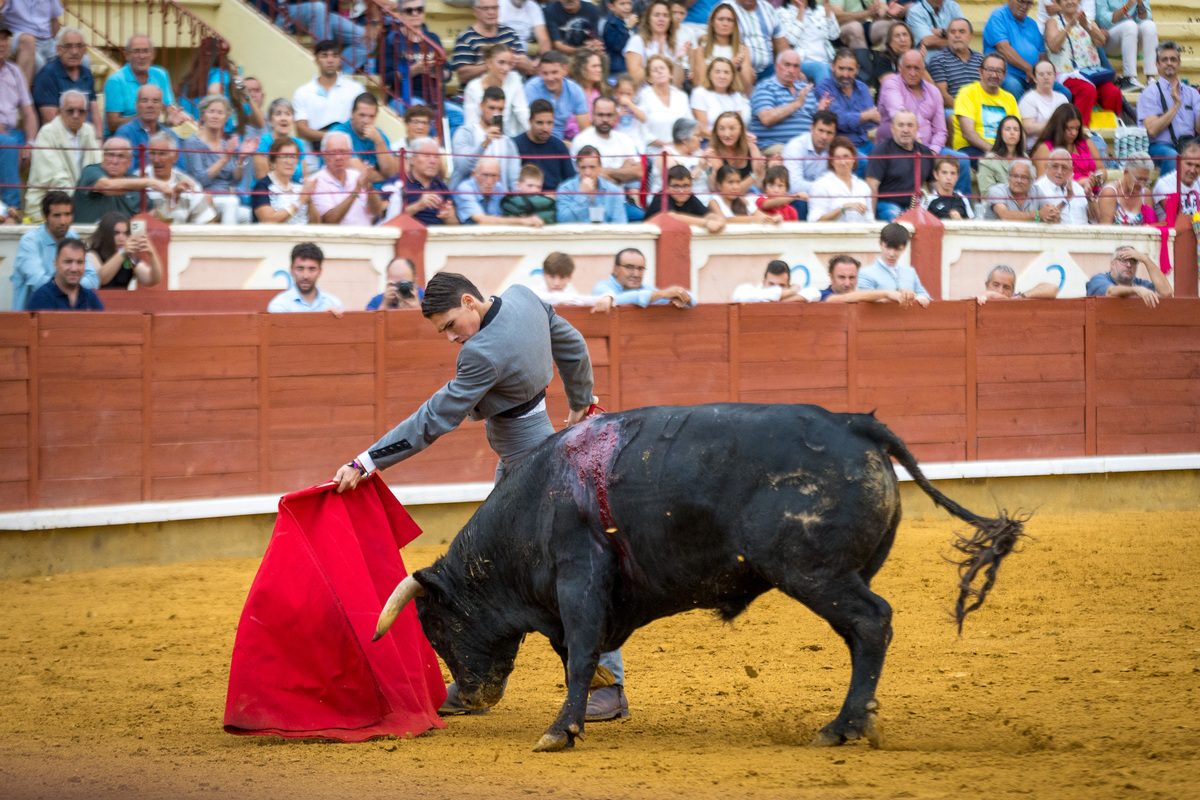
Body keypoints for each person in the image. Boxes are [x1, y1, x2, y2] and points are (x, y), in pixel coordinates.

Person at [329, 272, 613, 719]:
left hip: (527, 463)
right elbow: (573, 343)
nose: (449, 338)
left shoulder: (481, 352)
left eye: (448, 325)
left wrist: (367, 462)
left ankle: (604, 685)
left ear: (468, 301)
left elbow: (432, 420)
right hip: (532, 453)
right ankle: (481, 679)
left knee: (559, 570)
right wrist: (581, 401)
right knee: (516, 570)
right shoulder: (523, 296)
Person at [878, 50, 971, 194]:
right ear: (899, 67)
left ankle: (961, 209)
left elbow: (941, 130)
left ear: (924, 69)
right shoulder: (891, 84)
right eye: (908, 67)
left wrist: (932, 152)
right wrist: (919, 144)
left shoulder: (933, 91)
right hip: (898, 147)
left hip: (929, 150)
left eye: (917, 68)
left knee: (963, 160)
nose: (913, 72)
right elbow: (898, 114)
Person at [25, 89, 101, 222]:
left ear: (86, 113)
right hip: (48, 204)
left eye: (81, 111)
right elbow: (55, 178)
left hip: (82, 202)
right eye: (70, 111)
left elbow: (98, 166)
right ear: (59, 112)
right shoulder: (47, 133)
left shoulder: (88, 130)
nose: (76, 115)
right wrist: (82, 198)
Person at [1044, 0, 1123, 128]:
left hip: (1092, 74)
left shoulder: (1087, 20)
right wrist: (1069, 25)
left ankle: (1112, 130)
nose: (1070, 1)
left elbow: (1101, 41)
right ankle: (1080, 131)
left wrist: (1087, 26)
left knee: (1112, 92)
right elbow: (1053, 46)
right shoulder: (1052, 22)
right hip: (1067, 75)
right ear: (1059, 3)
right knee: (1087, 90)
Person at [10, 192, 93, 310]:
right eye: (57, 215)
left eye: (67, 214)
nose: (63, 221)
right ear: (45, 216)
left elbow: (92, 279)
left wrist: (69, 285)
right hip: (30, 320)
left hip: (68, 318)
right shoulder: (30, 241)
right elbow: (38, 282)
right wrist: (71, 285)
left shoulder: (73, 237)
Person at [183, 96, 257, 225]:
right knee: (231, 202)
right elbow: (200, 179)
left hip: (226, 198)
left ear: (226, 117)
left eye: (220, 113)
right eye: (211, 111)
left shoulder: (224, 144)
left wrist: (241, 159)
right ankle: (227, 244)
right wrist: (225, 158)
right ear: (203, 115)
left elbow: (234, 179)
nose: (215, 116)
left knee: (250, 215)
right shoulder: (193, 142)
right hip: (204, 198)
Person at [1136, 42, 1200, 177]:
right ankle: (1168, 197)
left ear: (1179, 64)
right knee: (1172, 156)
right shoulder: (1149, 93)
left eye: (1173, 59)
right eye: (1164, 60)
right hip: (1160, 147)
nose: (1169, 63)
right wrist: (1176, 106)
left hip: (1189, 144)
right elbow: (1152, 131)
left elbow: (1198, 128)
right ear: (1157, 65)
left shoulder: (1192, 93)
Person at [74, 138, 173, 225]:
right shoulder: (90, 171)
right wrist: (151, 181)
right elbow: (108, 187)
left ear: (129, 162)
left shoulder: (134, 180)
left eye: (121, 156)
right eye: (110, 155)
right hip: (90, 239)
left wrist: (171, 198)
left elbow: (152, 215)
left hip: (124, 241)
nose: (114, 161)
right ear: (103, 156)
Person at [102, 36, 184, 135]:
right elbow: (112, 124)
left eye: (146, 51)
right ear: (127, 55)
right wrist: (143, 117)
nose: (141, 56)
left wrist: (172, 118)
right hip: (125, 139)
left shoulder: (161, 74)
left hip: (153, 136)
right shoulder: (116, 81)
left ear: (153, 54)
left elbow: (168, 109)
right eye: (136, 51)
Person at [866, 109, 936, 221]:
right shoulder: (881, 151)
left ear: (917, 128)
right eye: (901, 125)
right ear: (892, 129)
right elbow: (872, 187)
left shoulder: (925, 152)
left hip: (916, 206)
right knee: (899, 222)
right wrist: (871, 220)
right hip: (887, 205)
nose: (906, 130)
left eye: (910, 125)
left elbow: (934, 186)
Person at [951, 53, 1021, 162]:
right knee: (994, 164)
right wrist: (995, 153)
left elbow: (1019, 131)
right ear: (980, 72)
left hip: (1003, 151)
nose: (994, 75)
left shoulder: (1009, 98)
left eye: (999, 71)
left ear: (1004, 75)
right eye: (990, 70)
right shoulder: (967, 93)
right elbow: (968, 133)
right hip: (972, 149)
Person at [32, 27, 102, 133]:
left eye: (79, 46)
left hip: (85, 136)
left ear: (84, 50)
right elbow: (50, 121)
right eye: (68, 47)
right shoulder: (48, 75)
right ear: (58, 50)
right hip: (59, 139)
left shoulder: (86, 73)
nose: (74, 52)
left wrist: (99, 138)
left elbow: (95, 113)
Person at [380, 0, 448, 110]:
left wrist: (436, 72)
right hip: (404, 97)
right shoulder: (393, 39)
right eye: (409, 11)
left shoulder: (433, 39)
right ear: (401, 15)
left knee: (460, 116)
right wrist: (412, 70)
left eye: (419, 10)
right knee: (422, 113)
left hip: (434, 99)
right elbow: (386, 78)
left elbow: (447, 74)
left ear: (424, 13)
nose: (415, 14)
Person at [292, 39, 363, 145]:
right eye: (324, 56)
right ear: (316, 60)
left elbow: (362, 122)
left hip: (347, 154)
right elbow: (301, 129)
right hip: (313, 156)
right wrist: (333, 138)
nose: (330, 60)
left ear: (340, 59)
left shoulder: (356, 89)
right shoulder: (302, 92)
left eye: (334, 55)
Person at [451, 86, 522, 189]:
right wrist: (484, 143)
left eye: (500, 109)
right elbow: (464, 167)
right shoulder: (464, 133)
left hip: (498, 199)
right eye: (491, 108)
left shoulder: (508, 142)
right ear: (481, 106)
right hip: (469, 195)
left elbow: (514, 179)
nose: (495, 113)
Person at [814, 49, 878, 162]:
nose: (845, 74)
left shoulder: (862, 87)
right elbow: (838, 121)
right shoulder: (824, 88)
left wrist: (852, 119)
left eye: (850, 69)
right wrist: (866, 115)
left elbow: (871, 123)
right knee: (869, 165)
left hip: (865, 143)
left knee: (889, 161)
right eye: (841, 68)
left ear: (857, 69)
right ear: (832, 66)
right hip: (840, 147)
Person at [750, 50, 818, 153]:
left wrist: (821, 110)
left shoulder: (805, 88)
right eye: (787, 65)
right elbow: (766, 118)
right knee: (791, 154)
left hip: (805, 146)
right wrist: (797, 104)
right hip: (775, 146)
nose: (791, 70)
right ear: (777, 66)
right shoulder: (765, 87)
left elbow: (815, 120)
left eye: (796, 66)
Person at [312, 131, 385, 225]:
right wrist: (356, 191)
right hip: (341, 238)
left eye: (343, 152)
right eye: (333, 152)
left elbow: (376, 211)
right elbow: (329, 220)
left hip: (366, 236)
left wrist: (368, 186)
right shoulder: (316, 181)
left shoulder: (356, 175)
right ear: (324, 154)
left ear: (350, 153)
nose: (338, 157)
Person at [145, 132, 217, 225]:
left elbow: (207, 223)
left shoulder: (188, 183)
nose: (156, 160)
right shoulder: (138, 180)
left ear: (175, 157)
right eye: (152, 153)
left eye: (162, 154)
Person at [571, 96, 644, 188]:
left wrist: (604, 171)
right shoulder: (581, 140)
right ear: (592, 115)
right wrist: (622, 173)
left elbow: (639, 172)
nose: (605, 119)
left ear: (616, 116)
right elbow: (586, 175)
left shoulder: (624, 139)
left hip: (620, 200)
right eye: (600, 115)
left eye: (609, 115)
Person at [0, 27, 36, 212]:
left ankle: (37, 210)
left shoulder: (14, 71)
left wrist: (30, 142)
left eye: (4, 39)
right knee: (8, 145)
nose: (1, 44)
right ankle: (13, 208)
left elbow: (29, 112)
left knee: (41, 146)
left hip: (12, 133)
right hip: (4, 137)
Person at [453, 0, 531, 85]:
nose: (491, 12)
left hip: (507, 91)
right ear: (475, 11)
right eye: (485, 8)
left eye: (495, 8)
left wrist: (516, 60)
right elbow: (462, 76)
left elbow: (527, 68)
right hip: (479, 94)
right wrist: (493, 63)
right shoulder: (466, 38)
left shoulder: (509, 34)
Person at [1029, 103, 1104, 193]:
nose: (1074, 133)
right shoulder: (1044, 148)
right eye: (1070, 128)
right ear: (1059, 127)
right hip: (1062, 197)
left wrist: (1094, 180)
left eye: (1077, 128)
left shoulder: (1086, 141)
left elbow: (1102, 170)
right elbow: (1043, 184)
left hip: (1093, 193)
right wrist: (1077, 184)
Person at [464, 43, 531, 138]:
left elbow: (522, 111)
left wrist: (533, 131)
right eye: (501, 62)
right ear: (489, 63)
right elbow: (470, 123)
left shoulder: (515, 79)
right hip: (482, 139)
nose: (506, 68)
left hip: (511, 138)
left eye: (509, 63)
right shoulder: (473, 88)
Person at [330, 93, 399, 184]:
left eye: (371, 116)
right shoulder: (339, 133)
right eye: (362, 115)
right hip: (348, 190)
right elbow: (358, 172)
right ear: (352, 113)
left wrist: (379, 142)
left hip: (381, 191)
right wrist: (382, 176)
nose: (366, 121)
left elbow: (391, 173)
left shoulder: (379, 135)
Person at [983, 0, 1047, 98]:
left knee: (1063, 91)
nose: (1025, 6)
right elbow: (1003, 48)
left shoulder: (1032, 24)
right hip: (1006, 73)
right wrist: (1028, 69)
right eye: (1021, 1)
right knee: (1013, 85)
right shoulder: (998, 16)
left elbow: (1042, 53)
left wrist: (1041, 73)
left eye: (1029, 3)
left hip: (1032, 76)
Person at [856, 222, 932, 304]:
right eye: (888, 247)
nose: (892, 254)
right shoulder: (865, 274)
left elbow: (926, 297)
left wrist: (915, 296)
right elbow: (864, 302)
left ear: (904, 248)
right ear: (880, 243)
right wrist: (899, 296)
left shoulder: (910, 273)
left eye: (897, 249)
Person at [86, 211, 164, 290]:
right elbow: (101, 279)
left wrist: (152, 253)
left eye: (125, 233)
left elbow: (152, 279)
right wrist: (122, 252)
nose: (122, 238)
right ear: (106, 234)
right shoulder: (92, 254)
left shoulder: (129, 257)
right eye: (116, 233)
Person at [113, 84, 182, 173]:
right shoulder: (125, 133)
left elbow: (180, 170)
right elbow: (124, 171)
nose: (150, 105)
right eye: (144, 101)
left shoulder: (171, 135)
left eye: (155, 101)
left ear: (161, 107)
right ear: (136, 106)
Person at [456, 156, 542, 226]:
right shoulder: (465, 189)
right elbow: (482, 220)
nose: (489, 181)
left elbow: (505, 215)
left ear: (499, 177)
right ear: (474, 174)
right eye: (485, 175)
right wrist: (522, 221)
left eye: (494, 176)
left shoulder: (498, 187)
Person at [592, 246, 693, 306]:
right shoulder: (602, 287)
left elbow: (693, 299)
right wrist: (662, 294)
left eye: (640, 269)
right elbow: (616, 300)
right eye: (629, 267)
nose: (636, 274)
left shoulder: (646, 289)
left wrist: (682, 297)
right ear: (616, 269)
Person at [524, 51, 589, 141]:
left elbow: (585, 129)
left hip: (561, 141)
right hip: (535, 140)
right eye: (545, 73)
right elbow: (527, 125)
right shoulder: (532, 88)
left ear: (565, 70)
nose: (550, 78)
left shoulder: (575, 90)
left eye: (554, 72)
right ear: (539, 72)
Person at [691, 3, 757, 91]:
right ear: (713, 23)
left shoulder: (742, 49)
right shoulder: (701, 49)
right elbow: (699, 84)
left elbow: (747, 87)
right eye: (721, 19)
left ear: (735, 24)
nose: (725, 24)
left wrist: (738, 69)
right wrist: (730, 66)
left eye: (730, 20)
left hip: (735, 97)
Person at [252, 138, 319, 225]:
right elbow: (269, 221)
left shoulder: (300, 187)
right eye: (284, 156)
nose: (289, 161)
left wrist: (309, 200)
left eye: (293, 157)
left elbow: (316, 223)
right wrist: (299, 202)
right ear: (273, 161)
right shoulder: (262, 186)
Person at [635, 55, 693, 153]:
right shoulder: (644, 96)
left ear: (670, 74)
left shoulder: (681, 96)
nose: (659, 71)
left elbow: (690, 125)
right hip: (655, 152)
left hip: (681, 150)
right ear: (649, 78)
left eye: (662, 68)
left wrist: (678, 145)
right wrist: (666, 145)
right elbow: (642, 131)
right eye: (655, 70)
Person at [515, 99, 577, 191]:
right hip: (525, 198)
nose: (545, 128)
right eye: (540, 123)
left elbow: (571, 181)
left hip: (553, 199)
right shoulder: (516, 145)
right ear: (530, 121)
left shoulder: (559, 146)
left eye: (549, 123)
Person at [807, 136, 873, 221]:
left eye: (846, 156)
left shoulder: (863, 186)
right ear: (832, 161)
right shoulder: (820, 185)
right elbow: (815, 221)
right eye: (837, 158)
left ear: (853, 158)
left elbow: (870, 220)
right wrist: (843, 208)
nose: (843, 162)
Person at [27, 239, 104, 312]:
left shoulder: (91, 298)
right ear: (56, 263)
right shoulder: (42, 298)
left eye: (80, 262)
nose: (74, 269)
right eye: (68, 262)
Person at [268, 242, 345, 314]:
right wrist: (323, 318)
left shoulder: (334, 303)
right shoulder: (280, 305)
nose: (305, 276)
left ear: (320, 271)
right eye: (300, 269)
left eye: (312, 269)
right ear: (291, 270)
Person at [781, 108, 836, 208]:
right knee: (801, 200)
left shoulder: (835, 148)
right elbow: (794, 186)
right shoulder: (795, 147)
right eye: (821, 130)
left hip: (825, 197)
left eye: (829, 133)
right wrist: (827, 189)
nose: (824, 137)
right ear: (811, 128)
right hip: (798, 199)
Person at [1096, 0, 1157, 90]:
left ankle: (1151, 79)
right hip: (1110, 40)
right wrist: (1127, 7)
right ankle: (1130, 78)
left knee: (1150, 26)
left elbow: (1146, 18)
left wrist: (1140, 5)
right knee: (1129, 25)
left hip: (1132, 40)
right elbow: (1103, 22)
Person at [645, 164, 727, 231]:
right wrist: (706, 223)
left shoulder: (690, 197)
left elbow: (706, 214)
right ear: (666, 187)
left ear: (691, 185)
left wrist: (717, 219)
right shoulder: (661, 197)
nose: (681, 191)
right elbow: (672, 217)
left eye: (686, 186)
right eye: (676, 186)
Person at [557, 147, 628, 223]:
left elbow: (620, 222)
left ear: (600, 167)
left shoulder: (613, 190)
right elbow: (564, 221)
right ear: (577, 168)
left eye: (592, 167)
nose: (588, 173)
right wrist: (581, 194)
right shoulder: (565, 189)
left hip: (605, 234)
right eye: (583, 167)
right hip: (577, 234)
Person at [778, 0, 840, 86]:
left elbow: (834, 34)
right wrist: (800, 11)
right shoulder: (782, 13)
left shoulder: (819, 10)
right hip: (802, 63)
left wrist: (827, 6)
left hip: (827, 61)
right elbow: (791, 40)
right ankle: (824, 98)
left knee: (843, 67)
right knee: (820, 67)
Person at [1084, 245, 1172, 305]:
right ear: (1112, 264)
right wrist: (1136, 290)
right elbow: (1110, 292)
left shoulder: (1140, 284)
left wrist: (1146, 259)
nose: (1129, 265)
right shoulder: (1098, 279)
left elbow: (1166, 293)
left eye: (1133, 262)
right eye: (1123, 260)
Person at [254, 98, 316, 183]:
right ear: (270, 121)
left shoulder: (298, 143)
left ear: (293, 120)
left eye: (288, 114)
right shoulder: (263, 142)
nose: (284, 118)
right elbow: (262, 178)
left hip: (295, 191)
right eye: (278, 114)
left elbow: (305, 177)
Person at [2, 0, 63, 85]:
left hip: (48, 40)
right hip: (20, 37)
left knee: (82, 60)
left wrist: (63, 43)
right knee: (38, 61)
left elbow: (54, 20)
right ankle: (27, 96)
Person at [928, 17, 983, 109]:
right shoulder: (939, 60)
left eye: (962, 32)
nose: (957, 36)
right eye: (952, 32)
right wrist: (965, 110)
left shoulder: (981, 59)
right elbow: (942, 95)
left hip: (980, 108)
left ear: (971, 35)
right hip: (953, 110)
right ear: (948, 36)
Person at [624, 0, 683, 87]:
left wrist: (678, 59)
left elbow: (677, 85)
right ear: (648, 19)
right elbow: (635, 80)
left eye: (665, 15)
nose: (661, 19)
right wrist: (658, 55)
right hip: (643, 94)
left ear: (670, 20)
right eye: (656, 15)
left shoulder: (674, 45)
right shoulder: (637, 41)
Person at [705, 110, 765, 194]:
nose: (727, 134)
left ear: (741, 129)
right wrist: (754, 175)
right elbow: (727, 191)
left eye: (732, 128)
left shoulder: (751, 147)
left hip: (751, 197)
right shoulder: (712, 152)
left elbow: (760, 184)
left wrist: (760, 173)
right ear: (716, 131)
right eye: (721, 129)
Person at [1029, 147, 1093, 224]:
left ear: (1071, 171)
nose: (1059, 171)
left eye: (1064, 168)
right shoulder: (1037, 188)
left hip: (1084, 234)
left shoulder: (1077, 188)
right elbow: (1043, 219)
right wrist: (1066, 199)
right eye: (1055, 166)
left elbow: (1094, 218)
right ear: (1046, 167)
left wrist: (1090, 197)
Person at [402, 137, 458, 226]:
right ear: (413, 159)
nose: (432, 161)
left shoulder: (441, 186)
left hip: (437, 236)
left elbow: (455, 226)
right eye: (427, 156)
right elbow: (388, 220)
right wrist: (418, 205)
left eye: (436, 157)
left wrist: (448, 216)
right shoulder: (399, 183)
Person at [690, 57, 750, 139]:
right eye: (717, 72)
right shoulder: (700, 93)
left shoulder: (736, 95)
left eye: (726, 72)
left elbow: (738, 126)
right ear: (709, 74)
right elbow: (702, 130)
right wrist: (725, 138)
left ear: (732, 76)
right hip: (710, 140)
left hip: (732, 141)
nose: (722, 76)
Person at [819, 253, 918, 303]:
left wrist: (904, 294)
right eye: (842, 277)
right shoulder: (821, 295)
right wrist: (886, 293)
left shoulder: (862, 296)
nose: (847, 283)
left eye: (852, 277)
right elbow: (844, 299)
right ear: (831, 277)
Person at [1018, 58, 1069, 147]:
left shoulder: (1062, 98)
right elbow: (1029, 128)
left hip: (1060, 144)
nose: (1046, 77)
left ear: (1055, 76)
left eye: (1049, 74)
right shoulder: (1028, 99)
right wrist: (1057, 124)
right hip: (1038, 145)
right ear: (1034, 78)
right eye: (1041, 74)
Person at [535, 251, 614, 308]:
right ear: (544, 274)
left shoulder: (570, 296)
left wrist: (608, 297)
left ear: (570, 277)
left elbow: (581, 299)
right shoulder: (535, 293)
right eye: (552, 277)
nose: (556, 283)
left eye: (562, 278)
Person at [1096, 151, 1156, 225]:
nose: (1142, 185)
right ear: (1126, 173)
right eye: (1138, 179)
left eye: (1145, 180)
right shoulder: (1110, 193)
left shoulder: (1146, 194)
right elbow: (1105, 229)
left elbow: (1151, 227)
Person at [982, 158, 1050, 221]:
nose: (1019, 180)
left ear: (1032, 181)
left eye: (1024, 177)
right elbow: (1005, 216)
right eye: (1015, 176)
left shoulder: (1037, 191)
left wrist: (1052, 215)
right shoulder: (997, 190)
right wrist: (1038, 214)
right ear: (1008, 177)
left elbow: (1050, 213)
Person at [709, 163, 782, 221]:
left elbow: (760, 215)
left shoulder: (742, 200)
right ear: (719, 185)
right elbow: (724, 219)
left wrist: (774, 218)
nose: (735, 187)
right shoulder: (714, 201)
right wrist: (754, 219)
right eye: (730, 182)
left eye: (738, 182)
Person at [977, 115, 1028, 197]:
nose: (1012, 133)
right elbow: (986, 192)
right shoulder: (989, 160)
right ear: (1000, 133)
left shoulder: (1025, 158)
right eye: (1008, 129)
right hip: (997, 205)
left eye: (1016, 129)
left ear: (1020, 134)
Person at [1151, 139, 1200, 220]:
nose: (1192, 170)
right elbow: (1178, 218)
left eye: (1197, 166)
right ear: (1180, 161)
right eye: (1189, 164)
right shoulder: (1164, 184)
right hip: (1174, 230)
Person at [565, 50, 608, 139]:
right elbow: (569, 126)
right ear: (582, 69)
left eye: (600, 66)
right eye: (594, 66)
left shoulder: (599, 92)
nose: (599, 70)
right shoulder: (571, 92)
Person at [732, 259, 821, 302]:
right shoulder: (749, 290)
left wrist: (780, 301)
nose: (776, 289)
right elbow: (739, 297)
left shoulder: (792, 293)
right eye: (771, 284)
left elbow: (815, 293)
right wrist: (792, 291)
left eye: (781, 285)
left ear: (788, 285)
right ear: (763, 282)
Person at [866, 21, 913, 93]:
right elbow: (891, 87)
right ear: (890, 42)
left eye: (905, 34)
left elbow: (932, 89)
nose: (902, 39)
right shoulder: (882, 59)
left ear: (911, 39)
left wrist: (921, 66)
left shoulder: (916, 59)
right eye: (897, 36)